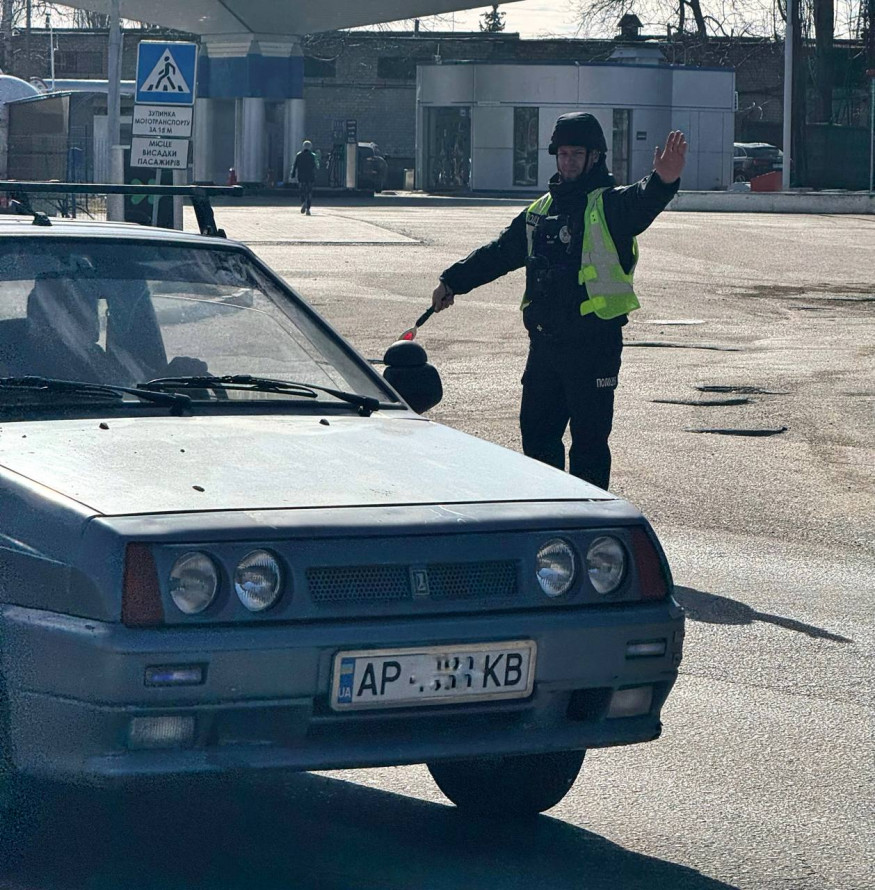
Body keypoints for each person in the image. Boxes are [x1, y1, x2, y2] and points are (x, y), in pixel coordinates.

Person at [431, 112, 687, 490]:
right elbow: (501, 252)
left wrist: (663, 180)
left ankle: (590, 519)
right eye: (563, 154)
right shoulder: (540, 211)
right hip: (545, 346)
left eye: (576, 154)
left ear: (594, 157)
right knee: (536, 438)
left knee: (589, 445)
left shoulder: (608, 205)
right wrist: (453, 280)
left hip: (593, 346)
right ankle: (547, 510)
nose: (568, 162)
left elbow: (640, 201)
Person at [291, 139, 318, 215]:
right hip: (310, 176)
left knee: (302, 191)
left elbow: (295, 165)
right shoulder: (313, 156)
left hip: (301, 176)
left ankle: (303, 203)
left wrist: (292, 174)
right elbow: (316, 165)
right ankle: (308, 209)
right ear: (310, 147)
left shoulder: (299, 155)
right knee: (309, 192)